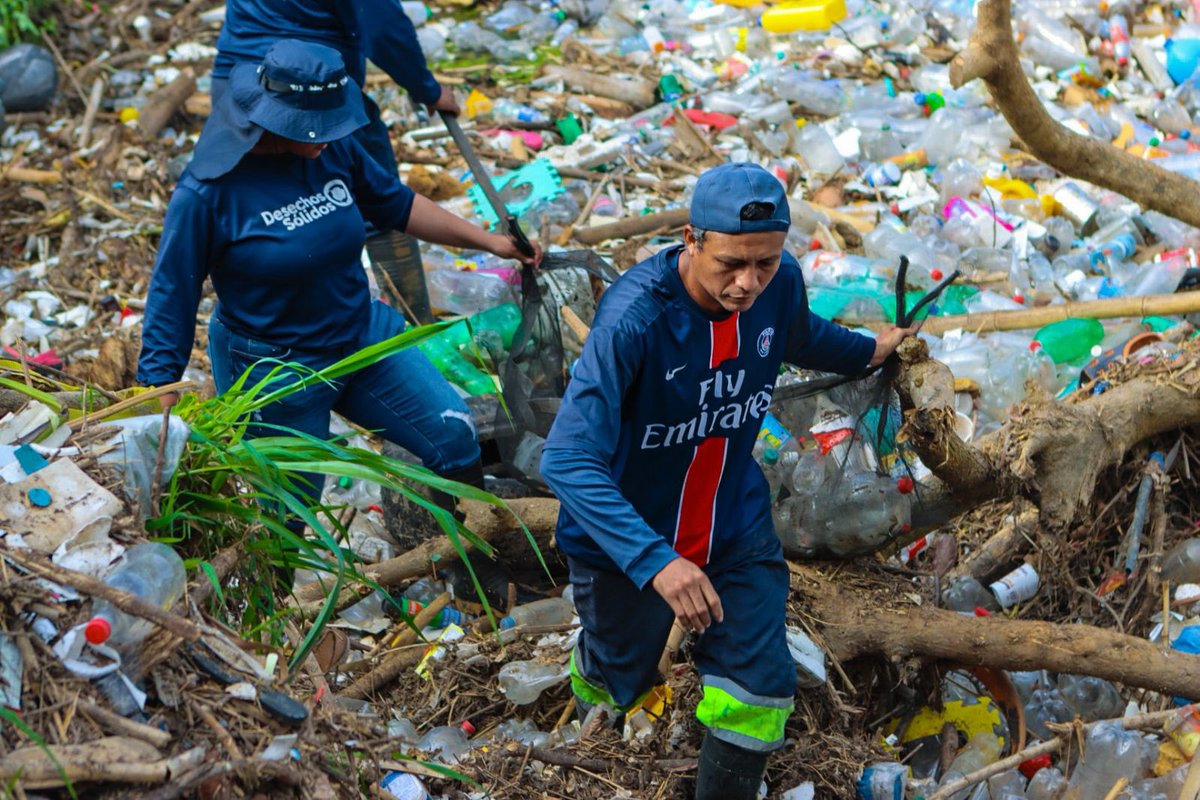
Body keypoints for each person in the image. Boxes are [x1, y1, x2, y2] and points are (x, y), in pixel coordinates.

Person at [539, 163, 915, 799]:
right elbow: (567, 459)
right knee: (618, 679)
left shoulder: (778, 285)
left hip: (731, 525)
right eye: (731, 265)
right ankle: (589, 722)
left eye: (765, 263)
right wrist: (656, 562)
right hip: (627, 539)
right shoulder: (635, 321)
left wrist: (868, 351)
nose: (748, 284)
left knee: (759, 687)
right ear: (691, 238)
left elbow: (800, 335)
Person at [136, 40, 540, 519]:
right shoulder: (208, 192)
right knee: (288, 510)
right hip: (275, 370)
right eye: (316, 127)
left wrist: (490, 241)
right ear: (275, 117)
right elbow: (172, 292)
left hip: (360, 335)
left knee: (453, 436)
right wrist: (156, 393)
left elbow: (396, 204)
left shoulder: (331, 149)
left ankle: (473, 559)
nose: (328, 135)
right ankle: (280, 591)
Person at [213, 0, 460, 321]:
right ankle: (414, 326)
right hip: (308, 95)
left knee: (268, 214)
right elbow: (381, 24)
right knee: (380, 208)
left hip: (237, 85)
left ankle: (286, 334)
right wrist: (426, 87)